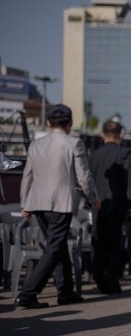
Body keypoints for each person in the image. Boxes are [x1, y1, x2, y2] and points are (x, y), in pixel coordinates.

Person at [16, 104, 99, 309]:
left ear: (48, 122)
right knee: (54, 247)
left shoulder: (36, 145)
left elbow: (27, 175)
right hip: (61, 202)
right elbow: (84, 176)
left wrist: (24, 202)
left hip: (38, 203)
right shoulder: (74, 143)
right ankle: (28, 293)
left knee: (58, 246)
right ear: (70, 123)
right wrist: (93, 198)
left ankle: (66, 291)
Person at [88, 117, 131, 294]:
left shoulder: (93, 156)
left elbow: (89, 181)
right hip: (118, 204)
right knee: (116, 243)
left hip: (98, 205)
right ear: (120, 135)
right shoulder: (125, 153)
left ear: (103, 135)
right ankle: (112, 278)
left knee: (99, 241)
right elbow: (129, 181)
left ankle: (99, 275)